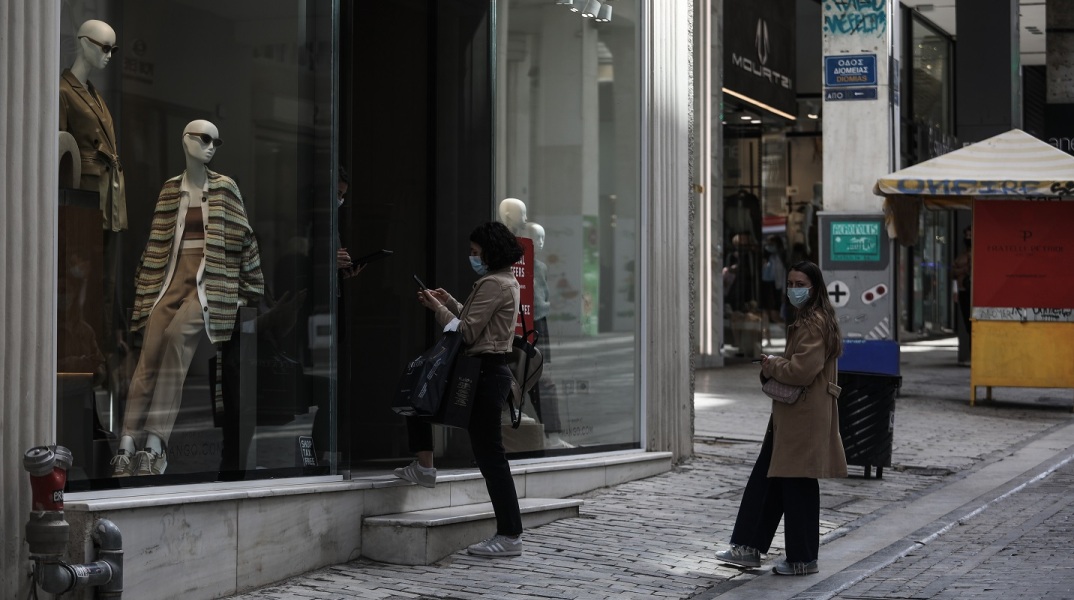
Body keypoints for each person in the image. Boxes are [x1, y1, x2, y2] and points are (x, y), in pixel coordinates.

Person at [112, 120, 264, 476]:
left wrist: (246, 291)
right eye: (205, 139)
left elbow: (246, 240)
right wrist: (144, 287)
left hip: (208, 287)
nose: (211, 146)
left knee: (177, 338)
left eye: (216, 141)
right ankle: (126, 444)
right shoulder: (169, 190)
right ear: (186, 141)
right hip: (170, 282)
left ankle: (155, 444)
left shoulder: (226, 188)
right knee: (147, 355)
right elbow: (156, 243)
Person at [395, 221, 526, 557]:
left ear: (490, 251)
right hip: (480, 371)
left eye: (475, 252)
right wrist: (450, 300)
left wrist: (437, 309)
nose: (472, 257)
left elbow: (466, 333)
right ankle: (424, 466)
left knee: (490, 456)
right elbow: (474, 319)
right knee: (419, 399)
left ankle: (510, 535)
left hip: (482, 372)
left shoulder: (494, 284)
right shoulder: (499, 281)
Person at [716, 260, 847, 576]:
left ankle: (801, 558)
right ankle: (750, 547)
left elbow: (802, 371)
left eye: (800, 284)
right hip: (795, 416)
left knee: (795, 484)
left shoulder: (814, 324)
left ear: (814, 287)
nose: (793, 289)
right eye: (790, 283)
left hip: (803, 417)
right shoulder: (812, 320)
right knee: (771, 478)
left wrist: (772, 365)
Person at [60, 19, 127, 353]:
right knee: (81, 277)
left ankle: (102, 348)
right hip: (83, 198)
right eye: (104, 48)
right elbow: (58, 153)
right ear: (83, 43)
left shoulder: (96, 95)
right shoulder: (63, 92)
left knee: (106, 279)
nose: (109, 56)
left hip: (108, 197)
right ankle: (84, 350)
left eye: (113, 50)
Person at [760, 235, 787, 346]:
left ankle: (789, 332)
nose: (769, 246)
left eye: (772, 244)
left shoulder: (781, 257)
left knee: (774, 314)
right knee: (765, 314)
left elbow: (783, 275)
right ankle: (767, 338)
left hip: (776, 287)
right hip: (766, 286)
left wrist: (783, 291)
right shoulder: (766, 257)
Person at [950, 226, 972, 344]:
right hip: (963, 291)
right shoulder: (961, 257)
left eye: (970, 235)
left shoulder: (978, 253)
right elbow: (953, 273)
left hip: (975, 292)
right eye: (967, 236)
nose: (968, 238)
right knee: (968, 324)